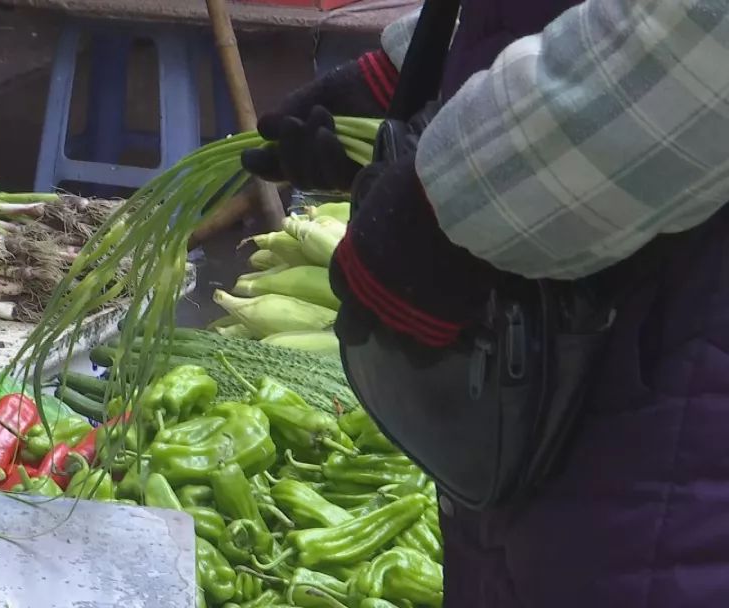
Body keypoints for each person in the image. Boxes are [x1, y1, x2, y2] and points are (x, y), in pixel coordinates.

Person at [243, 1, 729, 606]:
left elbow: (699, 46)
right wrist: (428, 68)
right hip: (587, 389)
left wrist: (440, 210)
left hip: (668, 367)